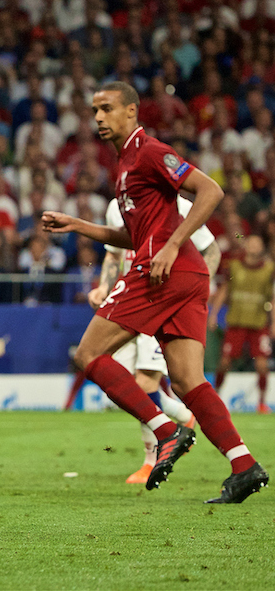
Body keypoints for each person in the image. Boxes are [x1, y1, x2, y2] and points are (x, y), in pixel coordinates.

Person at [42, 82, 267, 504]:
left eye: (106, 109)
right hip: (184, 275)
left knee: (88, 355)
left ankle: (166, 430)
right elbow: (132, 236)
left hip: (161, 272)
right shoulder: (126, 164)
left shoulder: (148, 151)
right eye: (94, 111)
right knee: (186, 380)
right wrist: (77, 225)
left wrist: (172, 243)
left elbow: (210, 191)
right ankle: (244, 466)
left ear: (131, 111)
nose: (98, 119)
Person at [83, 196, 221, 484]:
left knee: (146, 383)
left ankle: (151, 459)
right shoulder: (115, 206)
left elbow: (212, 251)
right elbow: (113, 254)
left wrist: (190, 292)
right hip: (128, 302)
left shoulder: (179, 205)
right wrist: (103, 287)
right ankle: (181, 415)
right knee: (118, 382)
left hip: (164, 302)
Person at [210, 235, 274, 413]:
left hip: (258, 323)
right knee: (224, 362)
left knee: (262, 364)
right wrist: (213, 314)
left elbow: (272, 298)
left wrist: (273, 322)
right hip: (236, 322)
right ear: (246, 245)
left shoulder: (269, 270)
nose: (253, 246)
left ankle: (262, 403)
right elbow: (224, 291)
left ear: (262, 247)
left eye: (257, 243)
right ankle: (215, 396)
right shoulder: (234, 267)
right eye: (251, 243)